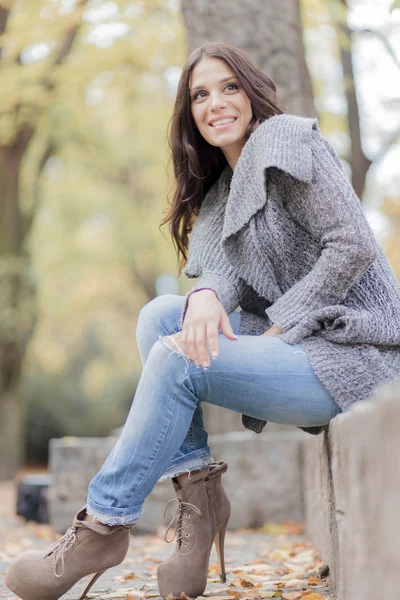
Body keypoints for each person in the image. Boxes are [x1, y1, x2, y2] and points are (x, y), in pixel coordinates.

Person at [6, 42, 400, 600]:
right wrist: (207, 295)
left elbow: (352, 247)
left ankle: (103, 525)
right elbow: (215, 268)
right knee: (162, 315)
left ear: (252, 91)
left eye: (229, 87)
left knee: (176, 355)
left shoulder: (287, 139)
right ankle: (201, 505)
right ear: (188, 112)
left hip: (356, 356)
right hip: (303, 351)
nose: (215, 102)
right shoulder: (223, 188)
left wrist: (281, 324)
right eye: (200, 94)